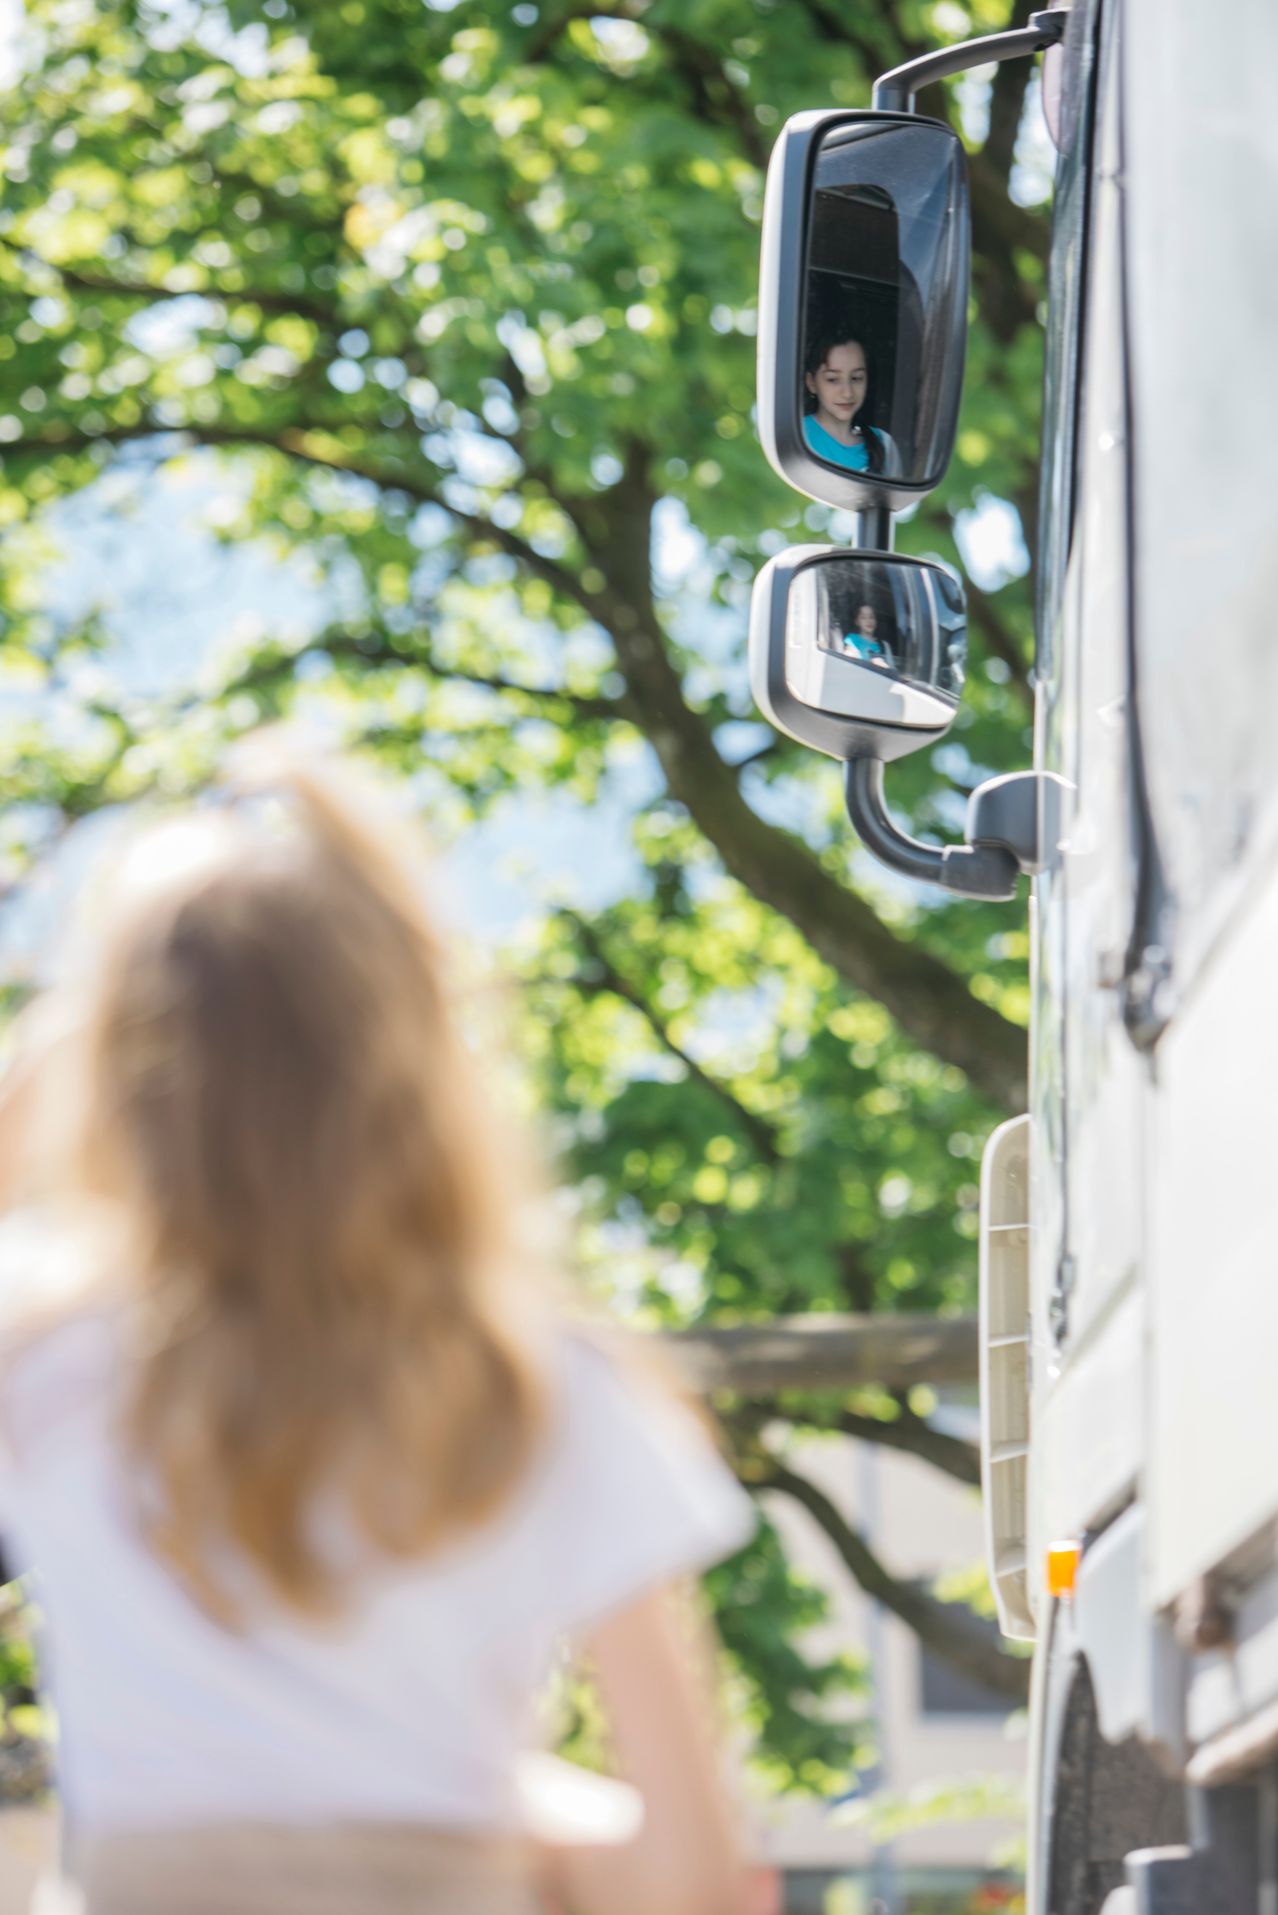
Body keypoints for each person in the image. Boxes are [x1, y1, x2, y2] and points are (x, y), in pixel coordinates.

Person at [0, 738, 760, 1915]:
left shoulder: (46, 1357)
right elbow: (701, 1881)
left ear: (109, 1069)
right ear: (417, 1059)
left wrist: (61, 1056)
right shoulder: (544, 1387)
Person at [801, 333, 901, 477]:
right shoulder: (797, 435)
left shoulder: (884, 444)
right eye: (833, 379)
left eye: (856, 378)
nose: (847, 393)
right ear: (811, 383)